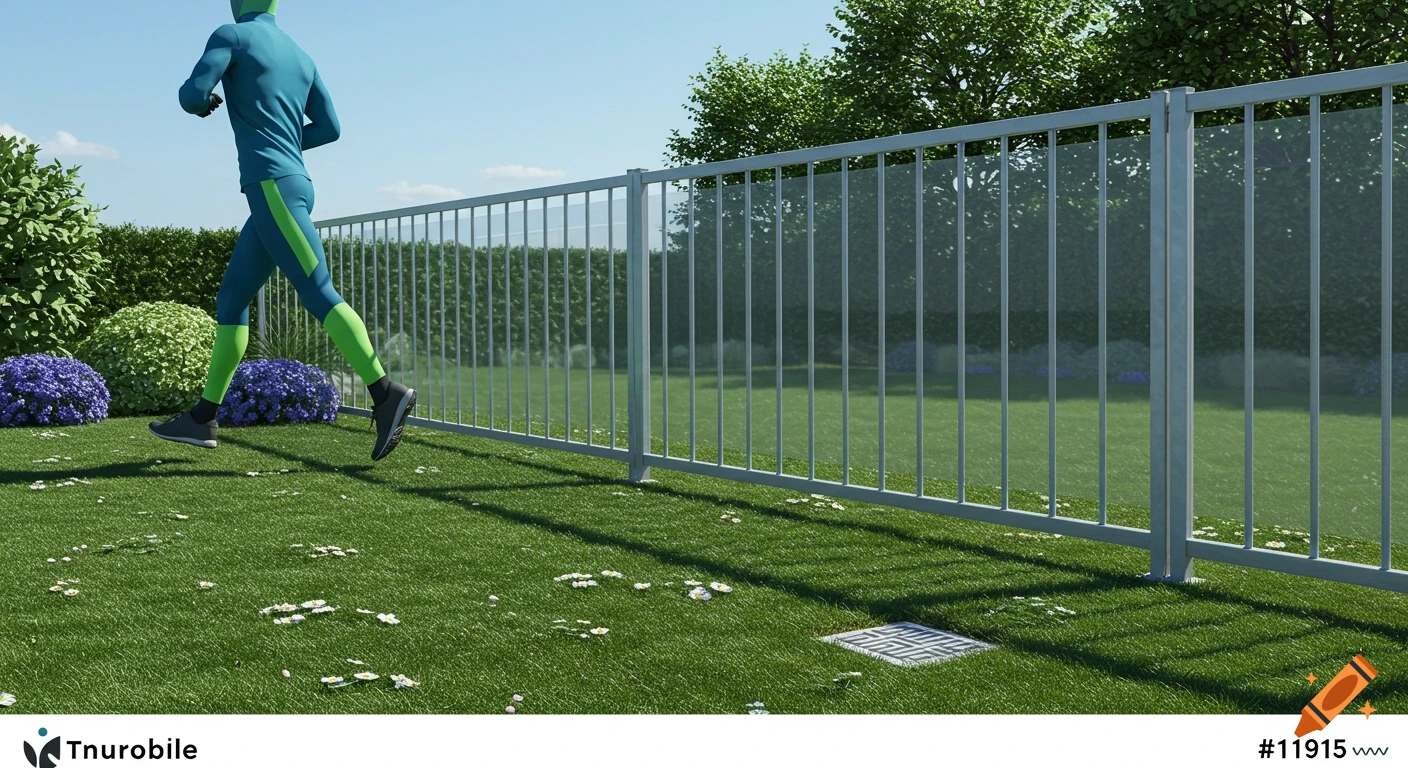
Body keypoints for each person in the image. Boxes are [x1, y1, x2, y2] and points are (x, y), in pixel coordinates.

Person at [151, 0, 415, 461]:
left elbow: (194, 93)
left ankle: (384, 391)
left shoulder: (231, 37)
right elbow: (330, 128)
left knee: (319, 291)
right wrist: (288, 141)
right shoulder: (300, 54)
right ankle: (202, 418)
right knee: (231, 301)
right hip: (289, 186)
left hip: (271, 186)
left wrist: (199, 103)